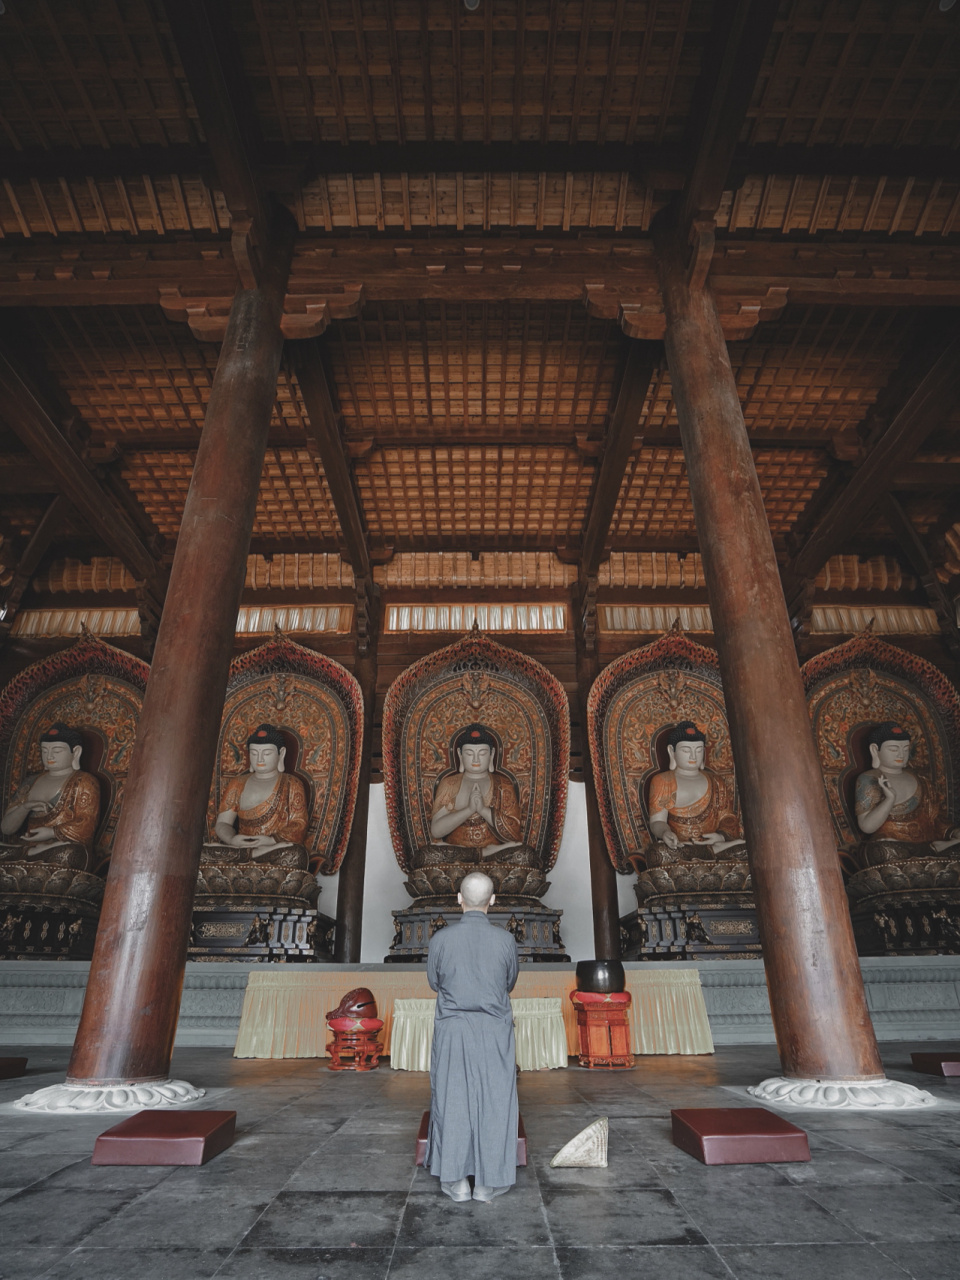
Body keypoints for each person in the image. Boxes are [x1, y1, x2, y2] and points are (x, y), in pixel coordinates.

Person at [425, 869, 519, 1203]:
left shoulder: (440, 940)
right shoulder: (506, 940)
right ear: (493, 900)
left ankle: (456, 1181)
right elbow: (509, 983)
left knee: (452, 1100)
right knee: (495, 1100)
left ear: (458, 899)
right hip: (494, 1029)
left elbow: (435, 983)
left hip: (453, 1029)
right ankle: (488, 1184)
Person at [202, 723, 310, 868]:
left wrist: (270, 841)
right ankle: (248, 855)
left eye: (266, 753)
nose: (259, 759)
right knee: (202, 853)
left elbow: (299, 825)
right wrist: (233, 839)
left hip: (272, 849)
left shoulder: (292, 784)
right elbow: (223, 823)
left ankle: (250, 857)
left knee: (296, 855)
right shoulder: (238, 783)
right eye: (254, 753)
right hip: (240, 848)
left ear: (281, 754)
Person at [0, 723, 100, 870]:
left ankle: (28, 859)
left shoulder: (84, 781)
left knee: (70, 854)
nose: (50, 756)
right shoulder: (30, 782)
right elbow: (6, 829)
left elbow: (86, 824)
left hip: (58, 850)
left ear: (76, 752)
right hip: (26, 848)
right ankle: (28, 856)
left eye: (57, 750)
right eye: (44, 751)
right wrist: (25, 807)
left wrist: (51, 833)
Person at [855, 720, 960, 855]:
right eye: (893, 749)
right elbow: (867, 827)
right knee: (882, 850)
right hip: (894, 849)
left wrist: (954, 832)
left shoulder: (923, 781)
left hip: (930, 846)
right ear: (875, 750)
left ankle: (932, 851)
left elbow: (936, 820)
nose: (901, 754)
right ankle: (931, 851)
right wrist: (889, 799)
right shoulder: (870, 779)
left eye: (905, 749)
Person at [647, 721, 744, 857]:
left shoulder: (716, 781)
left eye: (698, 750)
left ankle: (713, 850)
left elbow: (727, 817)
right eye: (686, 750)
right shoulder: (663, 781)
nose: (693, 756)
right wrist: (665, 833)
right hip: (682, 847)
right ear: (671, 751)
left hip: (716, 844)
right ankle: (711, 852)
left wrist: (721, 836)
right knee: (658, 853)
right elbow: (657, 821)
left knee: (748, 848)